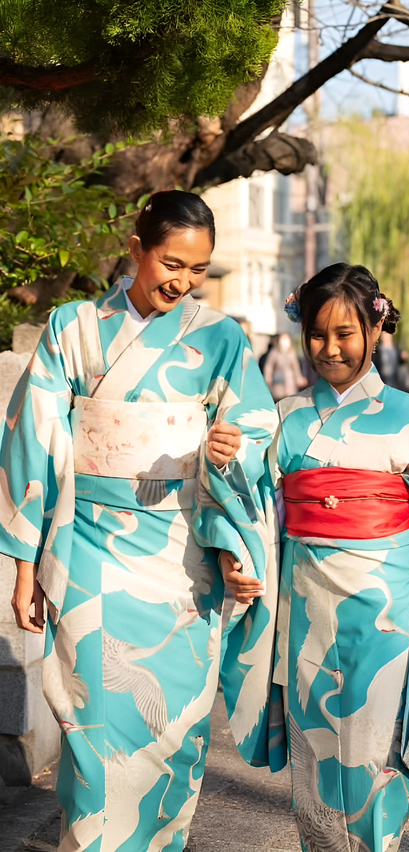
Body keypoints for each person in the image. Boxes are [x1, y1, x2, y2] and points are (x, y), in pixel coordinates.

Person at [0, 190, 278, 852]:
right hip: (89, 546)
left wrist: (227, 446)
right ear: (135, 250)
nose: (182, 282)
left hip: (183, 558)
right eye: (170, 263)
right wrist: (22, 565)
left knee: (174, 733)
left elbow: (257, 427)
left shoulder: (220, 338)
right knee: (91, 729)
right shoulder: (74, 327)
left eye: (198, 270)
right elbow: (31, 441)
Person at [224, 263, 409, 852]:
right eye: (318, 334)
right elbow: (255, 509)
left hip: (387, 611)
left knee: (375, 747)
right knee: (315, 758)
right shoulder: (283, 419)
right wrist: (237, 542)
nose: (330, 348)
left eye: (346, 333)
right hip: (305, 605)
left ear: (375, 327)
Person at [263, 332, 308, 401]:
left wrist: (299, 379)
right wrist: (268, 378)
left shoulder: (291, 352)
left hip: (289, 383)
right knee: (278, 399)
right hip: (277, 382)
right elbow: (269, 367)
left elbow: (295, 367)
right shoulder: (274, 352)